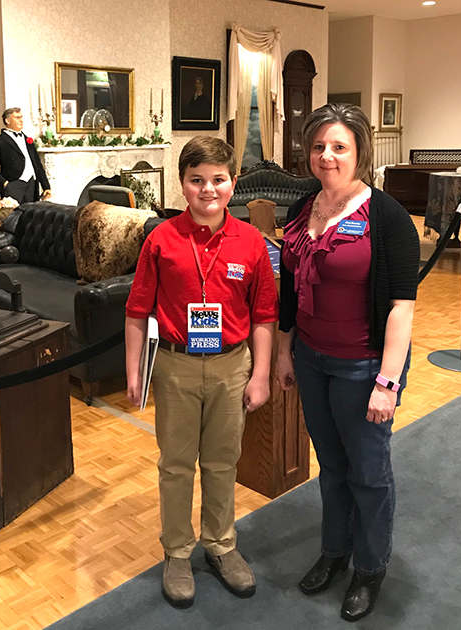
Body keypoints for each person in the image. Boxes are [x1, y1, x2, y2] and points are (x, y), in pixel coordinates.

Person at [275, 103, 419, 622]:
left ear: (359, 151)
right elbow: (290, 289)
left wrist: (388, 381)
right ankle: (334, 553)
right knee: (331, 466)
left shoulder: (386, 216)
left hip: (363, 367)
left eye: (339, 146)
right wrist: (285, 352)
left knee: (369, 473)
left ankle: (370, 566)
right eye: (319, 146)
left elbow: (401, 306)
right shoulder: (301, 209)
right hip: (313, 361)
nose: (328, 156)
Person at [125, 136, 278, 609]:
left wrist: (261, 375)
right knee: (175, 463)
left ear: (233, 183)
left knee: (222, 460)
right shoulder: (161, 240)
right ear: (183, 184)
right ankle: (176, 551)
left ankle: (221, 544)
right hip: (176, 366)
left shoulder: (251, 241)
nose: (207, 190)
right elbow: (136, 310)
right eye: (197, 181)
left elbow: (265, 315)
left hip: (234, 366)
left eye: (218, 180)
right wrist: (135, 372)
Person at [0, 108, 51, 204]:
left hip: (32, 184)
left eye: (21, 117)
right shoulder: (1, 142)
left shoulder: (27, 140)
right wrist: (3, 183)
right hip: (14, 185)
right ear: (7, 120)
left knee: (30, 216)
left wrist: (46, 186)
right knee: (14, 217)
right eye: (17, 117)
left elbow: (37, 164)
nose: (21, 120)